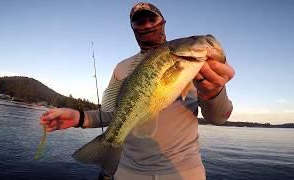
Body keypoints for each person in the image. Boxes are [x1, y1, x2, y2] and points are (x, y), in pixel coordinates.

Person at [40, 2, 235, 180]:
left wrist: (214, 92)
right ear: (133, 28)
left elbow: (218, 118)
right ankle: (109, 147)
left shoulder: (201, 67)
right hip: (128, 172)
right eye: (140, 21)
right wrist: (80, 117)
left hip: (184, 172)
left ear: (163, 22)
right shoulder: (122, 68)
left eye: (152, 19)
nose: (147, 25)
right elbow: (115, 114)